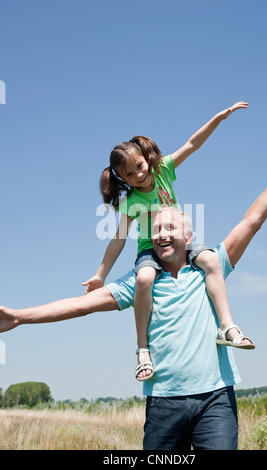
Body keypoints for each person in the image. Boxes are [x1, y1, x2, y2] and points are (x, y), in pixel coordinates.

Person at [0, 134, 267, 449]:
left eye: (170, 228)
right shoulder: (142, 280)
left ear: (188, 234)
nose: (162, 234)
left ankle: (229, 328)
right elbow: (81, 305)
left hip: (215, 399)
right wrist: (19, 317)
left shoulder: (212, 265)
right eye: (155, 230)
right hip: (163, 403)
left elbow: (251, 220)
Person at [82, 101, 253, 382]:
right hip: (150, 250)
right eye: (129, 174)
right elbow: (118, 240)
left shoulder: (163, 171)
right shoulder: (131, 202)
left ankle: (226, 327)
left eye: (139, 166)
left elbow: (192, 144)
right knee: (145, 279)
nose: (138, 175)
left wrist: (220, 118)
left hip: (178, 244)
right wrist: (101, 275)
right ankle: (142, 349)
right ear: (121, 179)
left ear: (146, 158)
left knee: (211, 259)